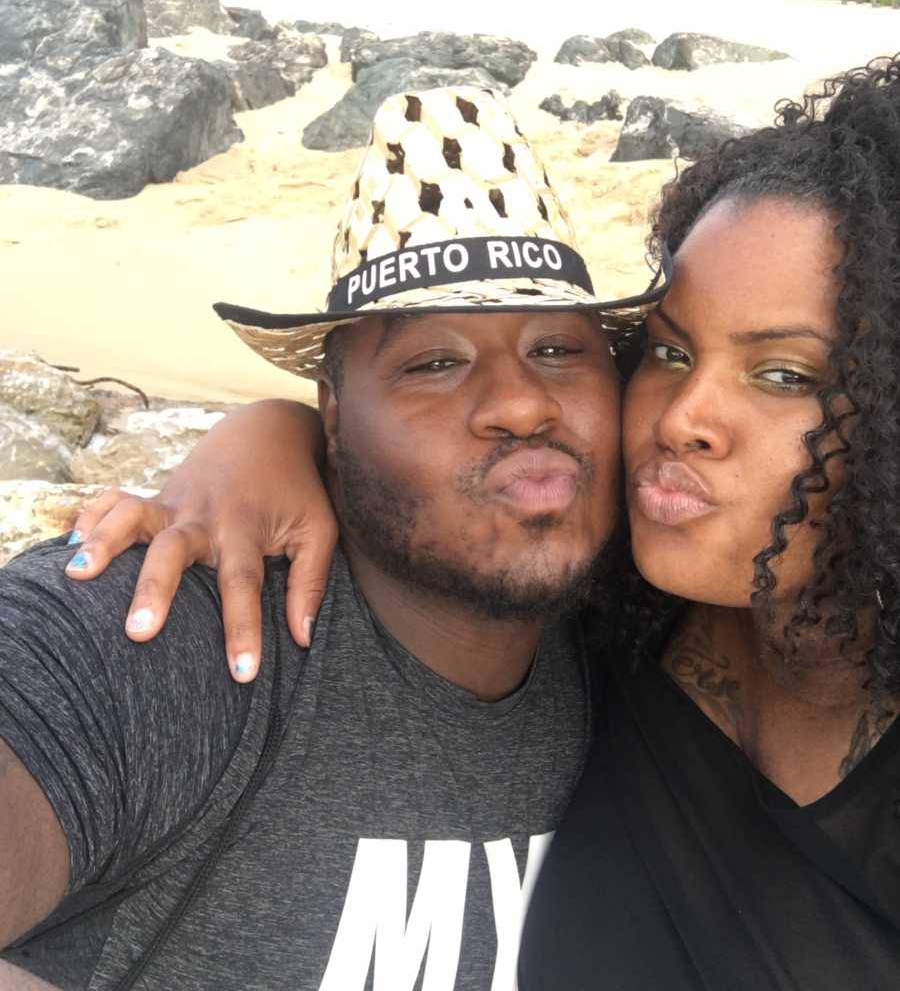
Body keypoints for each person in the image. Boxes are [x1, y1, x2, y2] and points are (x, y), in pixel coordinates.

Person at [69, 56, 900, 987]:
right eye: (668, 351)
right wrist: (270, 435)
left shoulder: (592, 626)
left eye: (786, 375)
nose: (680, 419)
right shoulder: (597, 616)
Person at [0, 87, 668, 989]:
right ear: (335, 421)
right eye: (435, 362)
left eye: (558, 350)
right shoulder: (181, 637)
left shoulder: (642, 654)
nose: (522, 402)